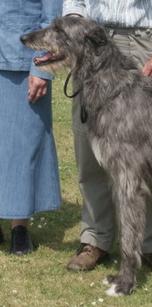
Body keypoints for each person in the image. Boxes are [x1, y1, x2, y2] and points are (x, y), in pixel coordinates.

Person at [63, 0, 152, 275]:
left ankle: (151, 243)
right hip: (93, 42)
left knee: (147, 158)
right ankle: (95, 239)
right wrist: (75, 32)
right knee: (91, 153)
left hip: (146, 42)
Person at [0, 1, 62, 255]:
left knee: (24, 147)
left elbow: (52, 18)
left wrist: (41, 68)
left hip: (23, 61)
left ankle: (19, 227)